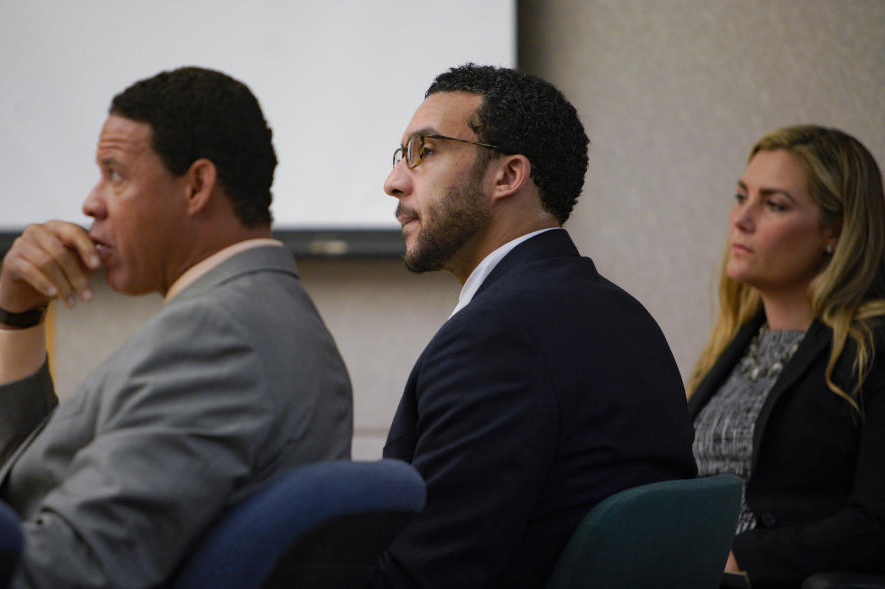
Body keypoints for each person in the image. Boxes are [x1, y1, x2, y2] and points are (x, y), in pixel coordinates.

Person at [0, 66, 353, 588]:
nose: (91, 202)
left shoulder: (216, 338)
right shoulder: (267, 314)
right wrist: (15, 314)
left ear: (197, 186)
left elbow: (78, 570)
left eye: (115, 173)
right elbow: (34, 497)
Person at [369, 63, 697, 589]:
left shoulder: (498, 338)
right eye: (400, 157)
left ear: (507, 175)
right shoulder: (620, 313)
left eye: (424, 152)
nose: (393, 182)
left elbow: (426, 578)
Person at [688, 125, 885, 588]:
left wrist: (738, 558)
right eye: (741, 196)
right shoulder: (732, 345)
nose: (742, 219)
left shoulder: (873, 347)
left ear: (835, 233)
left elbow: (876, 523)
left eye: (774, 204)